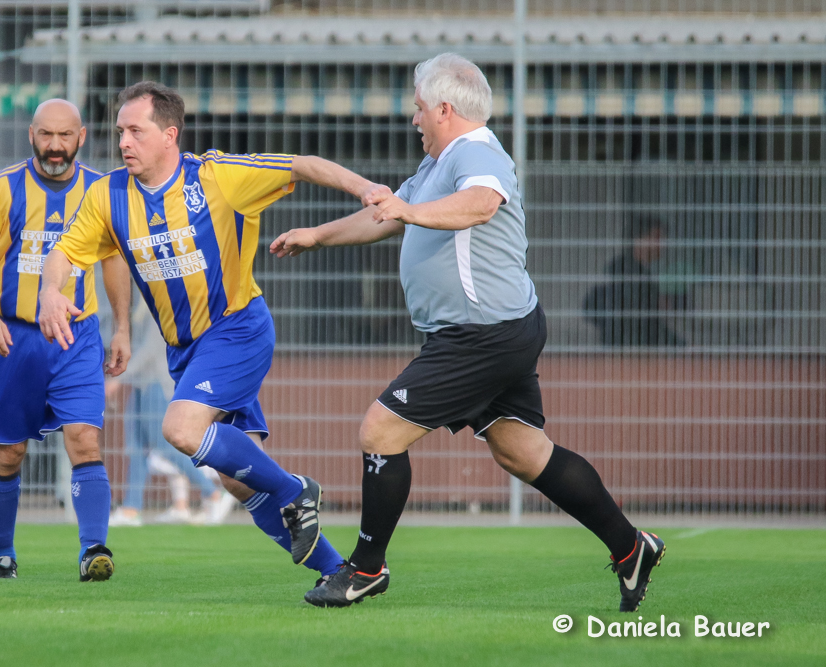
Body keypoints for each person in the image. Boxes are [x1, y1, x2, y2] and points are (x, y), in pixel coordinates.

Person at [271, 53, 665, 611]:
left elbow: (481, 204)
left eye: (418, 109)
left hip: (480, 334)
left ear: (445, 109)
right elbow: (386, 213)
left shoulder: (476, 151)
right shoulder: (439, 163)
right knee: (524, 453)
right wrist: (317, 234)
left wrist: (408, 212)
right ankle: (631, 548)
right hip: (491, 330)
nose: (414, 120)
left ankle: (364, 569)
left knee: (381, 431)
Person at [40, 82, 387, 584]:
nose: (124, 143)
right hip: (185, 351)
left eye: (136, 131)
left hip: (237, 330)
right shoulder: (108, 195)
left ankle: (296, 491)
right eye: (120, 132)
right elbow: (64, 253)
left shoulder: (217, 177)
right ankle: (344, 573)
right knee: (238, 481)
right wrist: (52, 290)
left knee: (180, 430)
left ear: (169, 135)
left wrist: (365, 189)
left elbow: (302, 164)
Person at [0, 99, 130, 583]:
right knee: (8, 453)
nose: (55, 146)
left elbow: (113, 260)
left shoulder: (100, 190)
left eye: (65, 136)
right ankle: (3, 554)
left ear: (82, 136)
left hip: (78, 337)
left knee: (85, 439)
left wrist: (123, 327)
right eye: (46, 135)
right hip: (13, 338)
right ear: (32, 134)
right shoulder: (1, 188)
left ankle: (94, 549)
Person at [108, 297, 234, 527]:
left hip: (156, 382)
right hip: (141, 383)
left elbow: (151, 349)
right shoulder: (141, 301)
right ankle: (130, 509)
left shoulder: (162, 297)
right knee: (136, 449)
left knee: (165, 446)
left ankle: (214, 493)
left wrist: (119, 378)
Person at [583, 216, 685, 347]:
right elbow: (648, 325)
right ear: (639, 240)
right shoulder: (632, 277)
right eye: (656, 237)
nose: (662, 244)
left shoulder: (625, 271)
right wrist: (681, 346)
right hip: (630, 352)